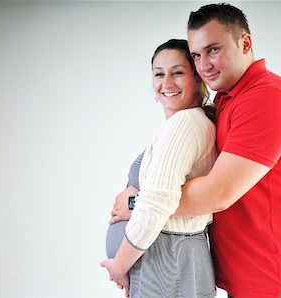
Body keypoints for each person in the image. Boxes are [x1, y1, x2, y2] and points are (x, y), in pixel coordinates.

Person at [179, 3, 281, 297]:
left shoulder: (266, 97)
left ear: (245, 43)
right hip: (254, 282)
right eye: (196, 55)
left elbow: (218, 193)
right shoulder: (229, 98)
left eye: (213, 50)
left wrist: (139, 204)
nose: (203, 65)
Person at [101, 39, 217, 298]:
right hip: (168, 260)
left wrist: (119, 266)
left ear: (197, 78)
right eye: (159, 74)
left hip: (167, 261)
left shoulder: (185, 124)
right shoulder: (188, 122)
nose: (167, 83)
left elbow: (158, 203)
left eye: (177, 72)